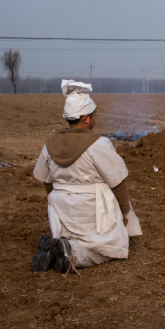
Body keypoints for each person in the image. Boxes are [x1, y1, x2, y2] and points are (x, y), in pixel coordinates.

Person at [30, 80, 141, 273]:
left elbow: (46, 181)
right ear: (86, 118)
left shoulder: (49, 144)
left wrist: (55, 201)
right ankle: (70, 252)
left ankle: (57, 247)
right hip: (94, 213)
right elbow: (117, 181)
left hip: (63, 212)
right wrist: (125, 211)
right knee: (106, 249)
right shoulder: (98, 144)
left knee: (70, 236)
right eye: (94, 114)